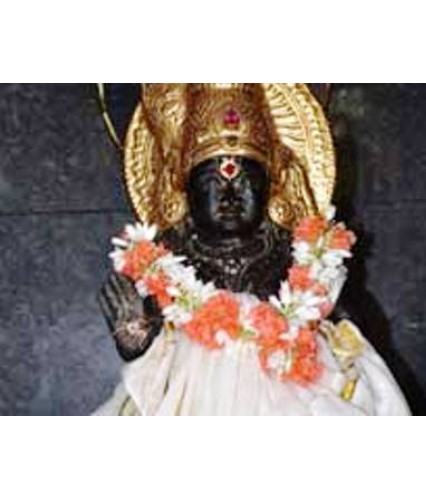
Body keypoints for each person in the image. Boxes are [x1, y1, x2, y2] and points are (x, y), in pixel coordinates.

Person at [95, 83, 410, 416]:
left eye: (246, 182)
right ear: (184, 191)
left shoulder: (297, 262)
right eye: (212, 183)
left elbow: (349, 340)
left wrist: (340, 329)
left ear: (272, 189)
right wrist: (139, 343)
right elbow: (155, 362)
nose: (230, 198)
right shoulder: (167, 267)